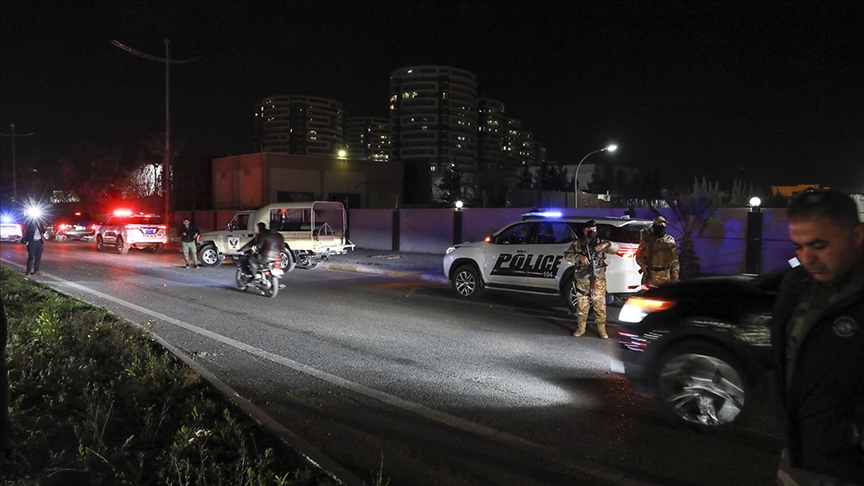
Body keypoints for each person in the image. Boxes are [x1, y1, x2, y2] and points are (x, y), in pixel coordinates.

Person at [771, 189, 864, 485]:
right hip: (799, 456)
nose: (806, 258)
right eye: (798, 246)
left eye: (819, 245)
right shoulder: (797, 284)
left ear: (857, 234)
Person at [564, 220, 619, 338]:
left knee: (599, 305)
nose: (592, 232)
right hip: (582, 280)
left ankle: (601, 329)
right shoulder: (577, 243)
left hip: (598, 280)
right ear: (584, 231)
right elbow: (567, 256)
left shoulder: (601, 243)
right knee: (581, 305)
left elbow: (616, 249)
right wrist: (579, 257)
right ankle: (581, 328)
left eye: (594, 230)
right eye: (589, 230)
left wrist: (606, 245)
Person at [635, 216, 680, 288]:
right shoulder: (647, 239)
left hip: (666, 276)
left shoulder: (670, 240)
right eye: (659, 224)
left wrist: (675, 276)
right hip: (651, 275)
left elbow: (675, 260)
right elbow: (638, 254)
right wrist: (642, 264)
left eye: (663, 224)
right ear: (654, 225)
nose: (661, 226)